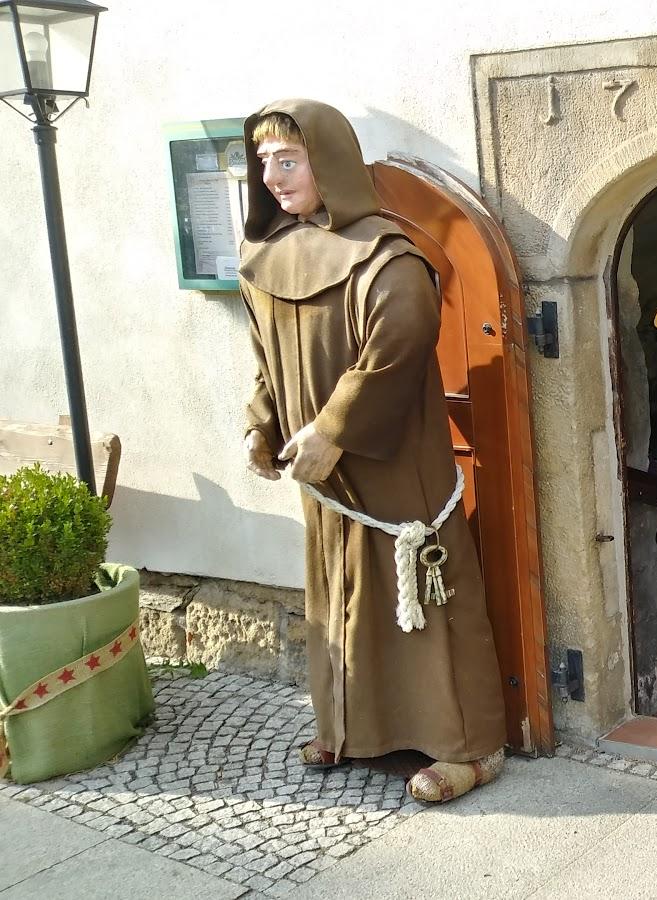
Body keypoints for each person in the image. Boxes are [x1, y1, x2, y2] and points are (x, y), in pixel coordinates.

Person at [238, 99, 507, 803]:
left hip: (393, 468)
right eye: (264, 162)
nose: (272, 177)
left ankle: (471, 746)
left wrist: (334, 430)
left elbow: (399, 347)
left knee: (424, 595)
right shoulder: (264, 258)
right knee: (341, 593)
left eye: (289, 160)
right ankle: (353, 728)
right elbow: (268, 361)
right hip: (323, 478)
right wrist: (261, 425)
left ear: (327, 163)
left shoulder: (387, 256)